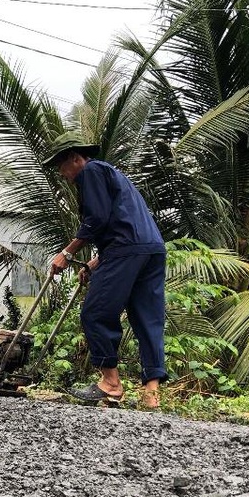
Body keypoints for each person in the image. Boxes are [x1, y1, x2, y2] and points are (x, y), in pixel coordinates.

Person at [44, 132, 167, 409]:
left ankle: (111, 384)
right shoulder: (115, 175)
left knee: (96, 312)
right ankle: (151, 395)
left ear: (75, 158)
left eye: (61, 166)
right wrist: (95, 262)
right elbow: (124, 224)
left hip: (127, 250)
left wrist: (67, 253)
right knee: (147, 317)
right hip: (151, 249)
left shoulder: (91, 171)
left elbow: (97, 219)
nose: (62, 173)